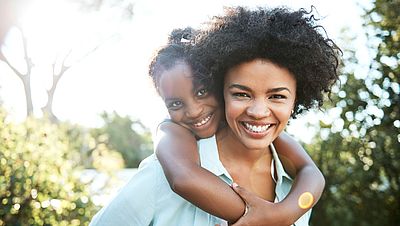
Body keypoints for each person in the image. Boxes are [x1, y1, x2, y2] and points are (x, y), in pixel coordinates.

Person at [89, 6, 340, 226]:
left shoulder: (293, 186)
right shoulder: (160, 175)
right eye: (242, 94)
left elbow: (313, 175)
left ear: (297, 99)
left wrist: (282, 215)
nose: (258, 112)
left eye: (277, 96)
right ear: (220, 88)